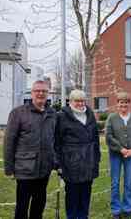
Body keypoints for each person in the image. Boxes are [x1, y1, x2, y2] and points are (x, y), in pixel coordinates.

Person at [3, 80, 56, 219]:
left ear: (48, 94)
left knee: (39, 205)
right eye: (37, 90)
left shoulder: (52, 114)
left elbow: (54, 141)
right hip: (25, 169)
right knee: (22, 207)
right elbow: (9, 141)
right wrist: (9, 168)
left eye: (44, 91)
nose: (40, 93)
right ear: (31, 93)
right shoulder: (18, 113)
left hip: (44, 169)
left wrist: (55, 162)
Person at [54, 89, 101, 219]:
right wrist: (58, 163)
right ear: (70, 101)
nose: (80, 103)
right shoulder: (61, 117)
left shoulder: (90, 114)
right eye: (77, 101)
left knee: (86, 196)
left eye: (82, 100)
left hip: (89, 162)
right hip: (71, 164)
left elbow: (95, 138)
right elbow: (56, 142)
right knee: (72, 197)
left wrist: (96, 158)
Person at [105, 91, 131, 219]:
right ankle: (116, 209)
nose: (123, 105)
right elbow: (109, 136)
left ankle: (127, 208)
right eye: (121, 103)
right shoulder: (112, 118)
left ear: (129, 104)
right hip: (116, 154)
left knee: (128, 182)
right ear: (117, 104)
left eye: (126, 103)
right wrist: (121, 149)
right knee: (115, 182)